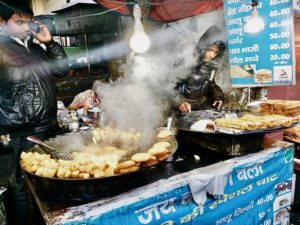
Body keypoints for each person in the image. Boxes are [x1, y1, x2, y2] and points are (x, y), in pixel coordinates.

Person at [0, 1, 69, 224]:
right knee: (23, 191)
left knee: (53, 184)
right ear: (2, 22)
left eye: (28, 22)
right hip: (19, 134)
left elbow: (61, 71)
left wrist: (50, 44)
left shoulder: (35, 47)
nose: (25, 27)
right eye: (19, 22)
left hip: (48, 127)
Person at [174, 40, 226, 113]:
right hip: (180, 110)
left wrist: (218, 97)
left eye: (216, 52)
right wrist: (179, 101)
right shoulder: (186, 62)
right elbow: (169, 87)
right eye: (210, 50)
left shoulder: (210, 67)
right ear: (203, 48)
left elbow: (211, 84)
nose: (212, 55)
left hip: (198, 110)